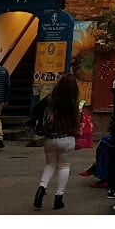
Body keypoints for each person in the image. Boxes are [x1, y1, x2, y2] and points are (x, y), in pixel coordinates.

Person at [31, 73, 82, 210]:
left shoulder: (50, 99)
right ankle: (58, 198)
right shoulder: (73, 103)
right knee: (64, 167)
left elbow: (35, 111)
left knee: (50, 165)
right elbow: (78, 121)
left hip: (50, 139)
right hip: (67, 139)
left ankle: (42, 188)